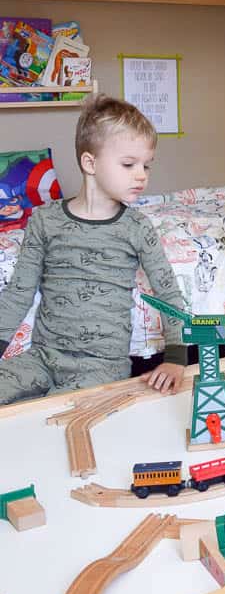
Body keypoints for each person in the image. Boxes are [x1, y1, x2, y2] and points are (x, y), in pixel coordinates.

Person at [0, 94, 188, 404]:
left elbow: (168, 294)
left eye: (146, 165)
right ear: (90, 163)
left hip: (102, 366)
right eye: (129, 164)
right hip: (43, 357)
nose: (141, 175)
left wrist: (176, 358)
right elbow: (18, 293)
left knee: (54, 419)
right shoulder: (44, 220)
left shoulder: (137, 227)